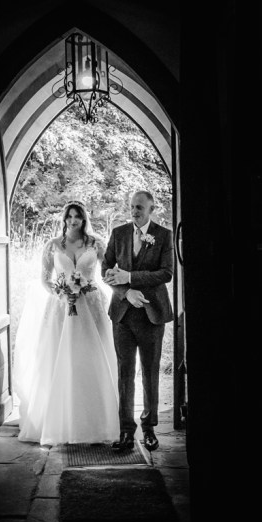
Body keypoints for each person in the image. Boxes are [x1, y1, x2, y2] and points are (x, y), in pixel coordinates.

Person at [14, 200, 120, 445]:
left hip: (91, 307)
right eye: (69, 216)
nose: (73, 221)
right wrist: (61, 293)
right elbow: (44, 279)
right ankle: (59, 422)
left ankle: (98, 422)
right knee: (58, 360)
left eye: (78, 217)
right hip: (61, 308)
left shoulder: (96, 244)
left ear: (84, 220)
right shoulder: (52, 246)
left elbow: (108, 272)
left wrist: (94, 285)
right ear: (64, 219)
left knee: (91, 358)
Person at [102, 190, 174, 452]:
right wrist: (125, 292)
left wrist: (131, 278)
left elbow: (166, 273)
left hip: (152, 315)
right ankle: (125, 431)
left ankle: (150, 429)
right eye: (132, 207)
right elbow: (105, 270)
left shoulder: (163, 235)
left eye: (140, 207)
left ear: (151, 209)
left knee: (150, 372)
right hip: (122, 314)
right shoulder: (119, 233)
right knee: (125, 374)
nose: (135, 211)